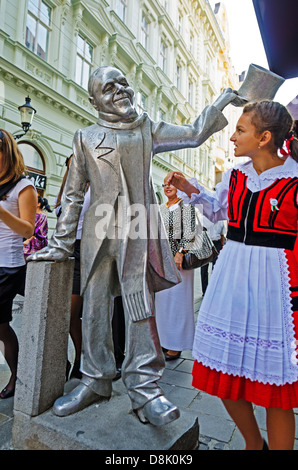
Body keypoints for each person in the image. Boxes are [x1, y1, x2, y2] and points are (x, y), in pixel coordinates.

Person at [28, 65, 241, 425]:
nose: (121, 91)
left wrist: (221, 100)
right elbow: (74, 195)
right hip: (98, 231)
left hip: (139, 225)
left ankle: (145, 388)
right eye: (110, 88)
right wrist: (61, 244)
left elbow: (192, 133)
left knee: (139, 303)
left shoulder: (146, 127)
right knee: (94, 307)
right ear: (94, 100)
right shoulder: (84, 137)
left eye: (124, 84)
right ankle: (95, 379)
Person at [167, 100, 298, 450]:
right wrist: (189, 187)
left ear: (264, 137)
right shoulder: (234, 175)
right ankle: (254, 444)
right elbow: (218, 210)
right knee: (222, 371)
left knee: (276, 393)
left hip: (276, 286)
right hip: (232, 280)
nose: (232, 137)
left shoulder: (296, 179)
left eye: (240, 130)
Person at [0, 129, 37, 399]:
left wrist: (1, 211)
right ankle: (18, 371)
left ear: (7, 154)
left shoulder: (23, 186)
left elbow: (28, 230)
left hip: (8, 265)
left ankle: (17, 373)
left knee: (0, 326)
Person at [155, 175, 196, 360]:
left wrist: (180, 252)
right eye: (165, 185)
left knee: (178, 303)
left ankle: (177, 345)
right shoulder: (161, 208)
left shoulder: (185, 205)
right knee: (163, 304)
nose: (167, 187)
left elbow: (191, 232)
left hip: (180, 262)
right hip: (162, 262)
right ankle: (164, 341)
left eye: (171, 184)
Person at [200, 219, 226, 295]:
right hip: (206, 244)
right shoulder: (203, 219)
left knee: (215, 268)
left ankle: (213, 290)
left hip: (217, 244)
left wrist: (222, 246)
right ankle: (205, 291)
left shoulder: (220, 221)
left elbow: (222, 236)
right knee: (204, 268)